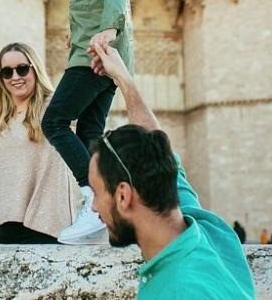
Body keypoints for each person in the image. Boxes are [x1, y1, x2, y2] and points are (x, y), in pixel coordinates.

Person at [86, 41, 254, 299]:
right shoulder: (208, 233)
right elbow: (157, 149)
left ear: (123, 195)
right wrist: (124, 80)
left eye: (96, 193)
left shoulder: (182, 292)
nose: (93, 207)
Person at [38, 0, 134, 245]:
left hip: (92, 58)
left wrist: (107, 30)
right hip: (103, 59)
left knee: (54, 121)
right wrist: (78, 30)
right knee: (90, 133)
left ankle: (94, 198)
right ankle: (110, 209)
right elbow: (96, 1)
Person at [0, 43, 78, 245]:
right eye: (7, 72)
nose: (15, 77)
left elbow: (91, 125)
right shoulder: (5, 119)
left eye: (22, 69)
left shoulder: (54, 108)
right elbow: (2, 181)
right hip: (7, 227)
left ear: (35, 69)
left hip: (46, 225)